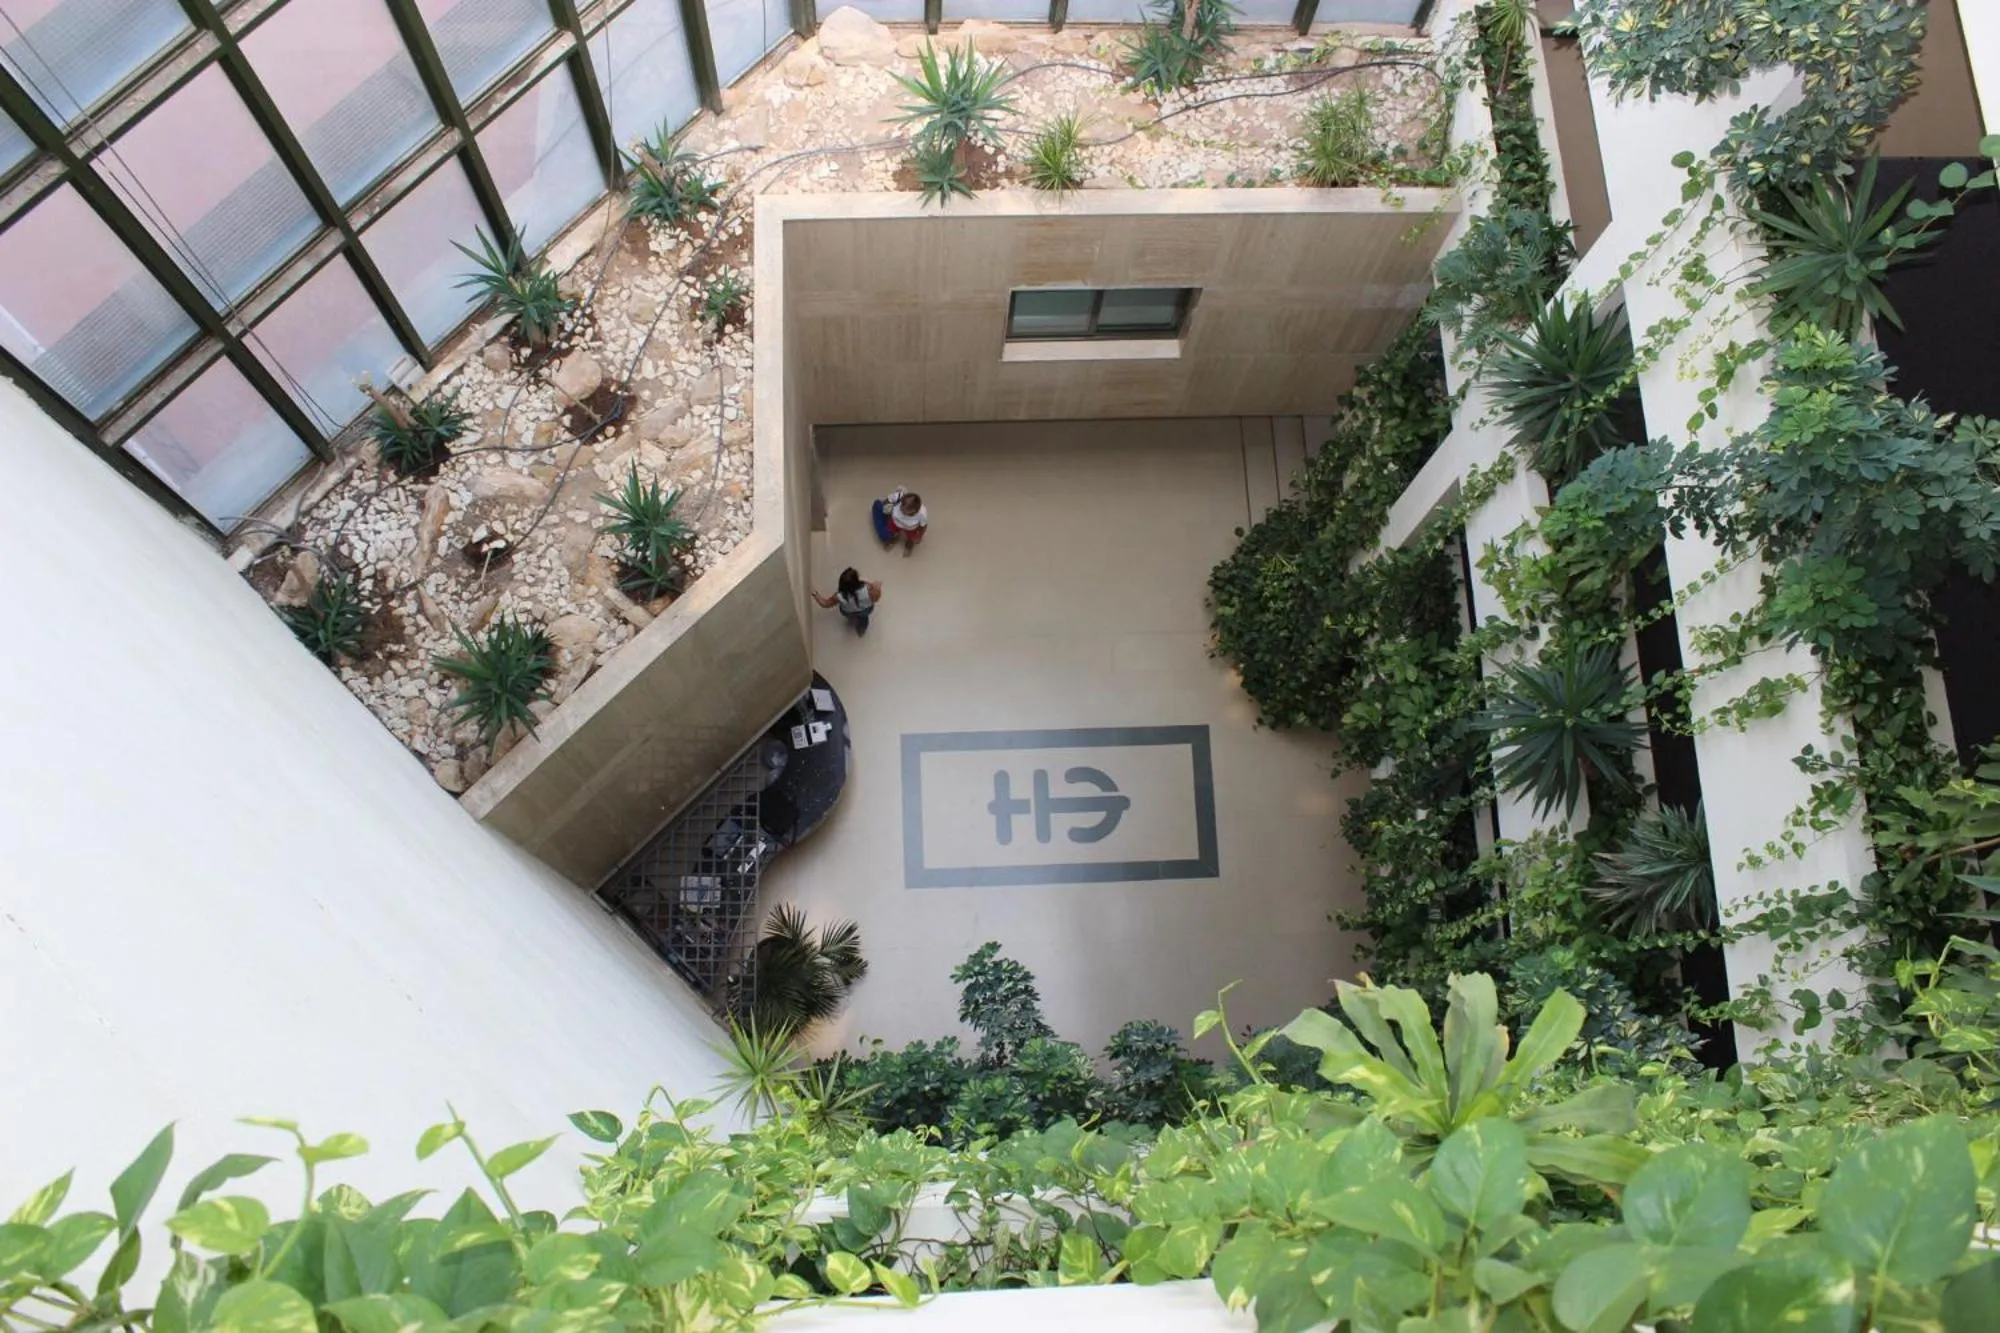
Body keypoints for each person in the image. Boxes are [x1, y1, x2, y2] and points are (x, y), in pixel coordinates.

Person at [812, 567, 882, 636]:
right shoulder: (868, 588)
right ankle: (861, 631)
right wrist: (877, 587)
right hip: (865, 610)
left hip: (849, 612)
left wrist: (815, 593)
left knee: (851, 616)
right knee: (863, 620)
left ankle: (852, 620)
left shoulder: (838, 596)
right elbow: (876, 599)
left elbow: (825, 604)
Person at [871, 486, 929, 555]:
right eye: (901, 504)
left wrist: (920, 536)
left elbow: (923, 526)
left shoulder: (922, 514)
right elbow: (888, 500)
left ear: (913, 510)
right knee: (892, 532)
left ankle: (909, 544)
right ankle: (894, 538)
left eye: (904, 508)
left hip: (911, 528)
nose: (900, 507)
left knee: (912, 538)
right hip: (895, 522)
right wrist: (887, 506)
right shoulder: (899, 497)